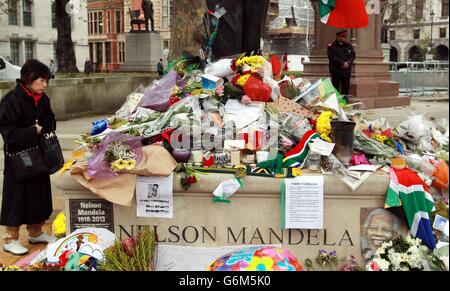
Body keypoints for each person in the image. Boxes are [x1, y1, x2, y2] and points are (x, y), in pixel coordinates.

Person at [0, 59, 56, 255]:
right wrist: (34, 131)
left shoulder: (43, 98)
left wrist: (43, 127)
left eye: (46, 81)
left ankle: (35, 231)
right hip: (19, 158)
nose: (45, 85)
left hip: (39, 156)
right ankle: (10, 239)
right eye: (41, 80)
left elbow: (51, 120)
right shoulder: (11, 100)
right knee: (16, 198)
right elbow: (9, 133)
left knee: (38, 195)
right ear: (29, 79)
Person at [327, 30, 356, 95]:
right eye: (341, 37)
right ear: (338, 37)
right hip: (336, 70)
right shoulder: (332, 46)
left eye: (344, 37)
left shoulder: (348, 46)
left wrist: (348, 63)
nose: (343, 38)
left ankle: (345, 101)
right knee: (335, 87)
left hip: (346, 71)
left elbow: (353, 55)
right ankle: (336, 101)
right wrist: (342, 63)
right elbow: (332, 57)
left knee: (345, 88)